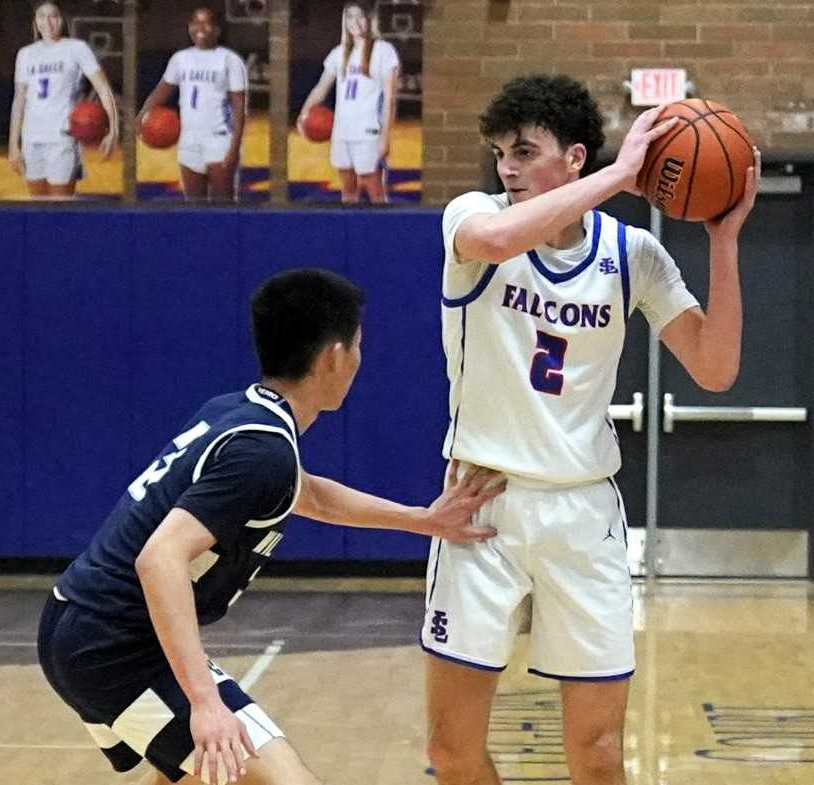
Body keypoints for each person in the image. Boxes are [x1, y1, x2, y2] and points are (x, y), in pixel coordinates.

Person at [38, 269, 504, 785]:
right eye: (357, 346)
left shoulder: (242, 415)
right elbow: (160, 558)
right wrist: (205, 702)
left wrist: (423, 520)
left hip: (85, 623)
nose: (359, 359)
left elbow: (310, 495)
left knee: (197, 776)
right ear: (333, 357)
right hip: (113, 646)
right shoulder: (262, 452)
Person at [423, 74, 761, 785]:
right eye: (500, 153)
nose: (506, 167)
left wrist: (724, 242)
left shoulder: (631, 253)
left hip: (582, 510)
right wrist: (620, 176)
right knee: (452, 750)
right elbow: (495, 241)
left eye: (524, 151)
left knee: (600, 752)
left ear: (573, 157)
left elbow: (715, 368)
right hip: (481, 505)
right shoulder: (472, 218)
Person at [8, 1, 119, 199]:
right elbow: (19, 101)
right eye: (42, 16)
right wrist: (13, 144)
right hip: (31, 139)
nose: (48, 22)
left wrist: (113, 129)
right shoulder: (25, 54)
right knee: (37, 205)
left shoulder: (76, 48)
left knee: (60, 207)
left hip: (62, 138)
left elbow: (103, 88)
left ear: (62, 20)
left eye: (53, 16)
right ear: (35, 22)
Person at [137, 7, 246, 203]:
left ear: (217, 29)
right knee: (194, 206)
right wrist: (140, 117)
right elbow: (161, 92)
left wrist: (234, 147)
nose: (200, 28)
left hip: (219, 139)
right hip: (188, 140)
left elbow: (239, 108)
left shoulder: (230, 60)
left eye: (206, 23)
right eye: (196, 22)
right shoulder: (180, 59)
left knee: (224, 205)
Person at [295, 1, 399, 204]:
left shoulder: (383, 51)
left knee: (376, 195)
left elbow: (390, 98)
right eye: (350, 16)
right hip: (342, 131)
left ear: (370, 19)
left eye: (360, 16)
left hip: (368, 132)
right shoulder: (338, 53)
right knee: (348, 193)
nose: (355, 22)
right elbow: (320, 89)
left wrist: (385, 136)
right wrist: (303, 114)